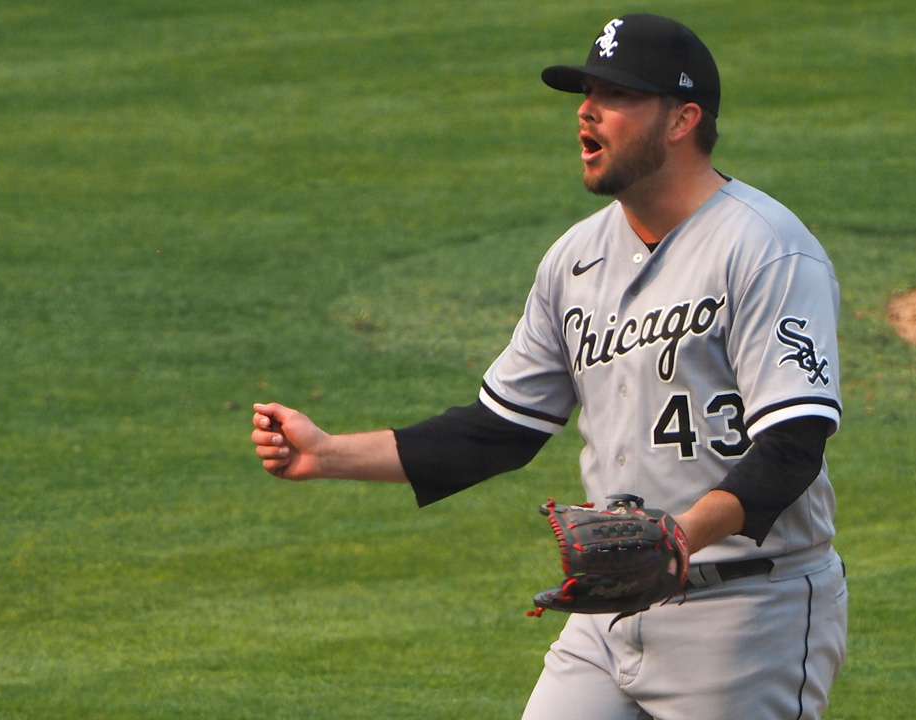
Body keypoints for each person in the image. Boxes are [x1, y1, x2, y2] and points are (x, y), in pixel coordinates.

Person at [252, 13, 847, 720]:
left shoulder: (765, 248)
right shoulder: (575, 260)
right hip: (610, 607)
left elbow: (792, 446)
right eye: (585, 92)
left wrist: (677, 537)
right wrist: (327, 454)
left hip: (747, 614)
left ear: (684, 118)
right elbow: (500, 429)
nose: (586, 112)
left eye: (616, 95)